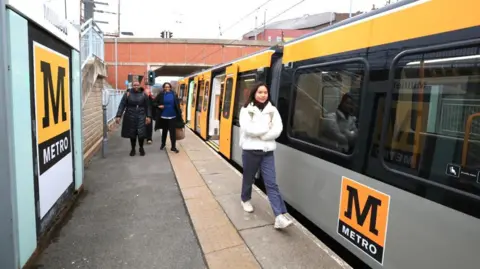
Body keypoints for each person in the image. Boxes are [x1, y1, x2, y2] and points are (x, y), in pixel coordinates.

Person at [238, 82, 293, 229]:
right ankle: (245, 199)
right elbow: (248, 129)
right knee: (248, 178)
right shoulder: (246, 109)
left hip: (267, 152)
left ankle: (279, 216)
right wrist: (266, 128)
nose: (263, 95)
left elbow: (278, 129)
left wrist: (263, 136)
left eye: (265, 93)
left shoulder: (272, 110)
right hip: (250, 151)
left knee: (271, 183)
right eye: (260, 92)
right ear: (254, 93)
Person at [115, 81, 152, 156]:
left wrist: (148, 116)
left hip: (141, 115)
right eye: (134, 85)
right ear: (132, 86)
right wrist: (119, 115)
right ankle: (133, 149)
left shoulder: (144, 94)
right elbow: (122, 105)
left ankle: (141, 148)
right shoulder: (128, 94)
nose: (136, 86)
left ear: (139, 86)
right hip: (130, 115)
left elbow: (148, 106)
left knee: (141, 133)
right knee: (132, 134)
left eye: (137, 85)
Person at [153, 82, 184, 153]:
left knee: (173, 133)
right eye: (165, 87)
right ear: (163, 88)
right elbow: (154, 102)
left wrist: (179, 113)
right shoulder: (161, 95)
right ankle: (163, 144)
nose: (167, 88)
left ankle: (173, 147)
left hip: (173, 116)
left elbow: (177, 105)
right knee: (164, 132)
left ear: (170, 87)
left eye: (168, 87)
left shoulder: (174, 94)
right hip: (163, 116)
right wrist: (158, 106)